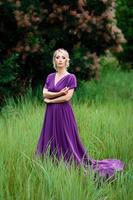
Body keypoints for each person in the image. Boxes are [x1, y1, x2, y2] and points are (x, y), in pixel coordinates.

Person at [35, 48, 124, 180]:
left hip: (63, 113)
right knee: (50, 135)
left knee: (65, 136)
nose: (60, 60)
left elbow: (67, 98)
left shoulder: (71, 77)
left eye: (63, 57)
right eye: (57, 57)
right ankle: (51, 163)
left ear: (67, 61)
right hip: (50, 113)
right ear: (54, 60)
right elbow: (44, 93)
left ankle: (68, 162)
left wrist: (49, 100)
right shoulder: (50, 76)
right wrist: (58, 93)